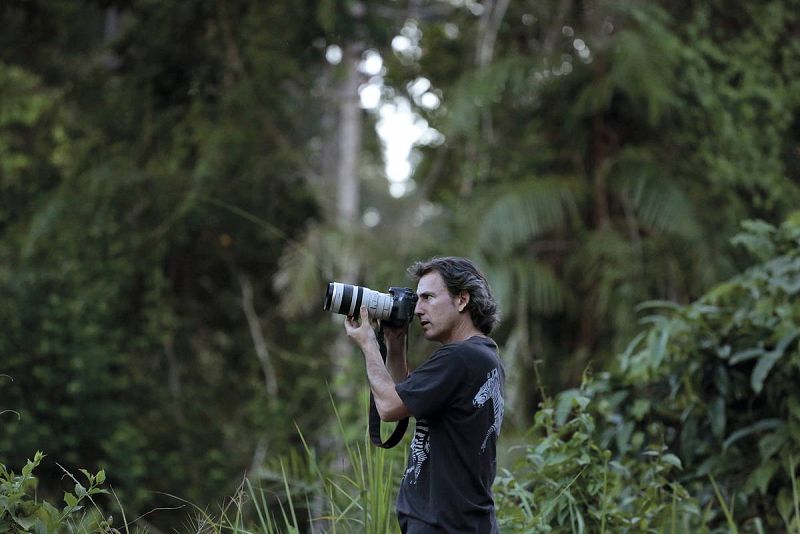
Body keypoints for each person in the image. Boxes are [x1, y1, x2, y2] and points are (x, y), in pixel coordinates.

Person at [345, 256, 505, 533]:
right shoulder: (484, 356)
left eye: (428, 297)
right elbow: (402, 399)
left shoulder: (459, 357)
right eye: (417, 299)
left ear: (461, 300)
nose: (418, 309)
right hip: (463, 523)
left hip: (443, 525)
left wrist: (369, 344)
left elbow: (387, 407)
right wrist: (396, 346)